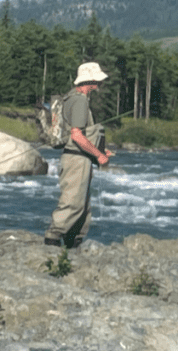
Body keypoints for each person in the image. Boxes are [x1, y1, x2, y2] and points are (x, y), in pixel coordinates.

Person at [45, 62, 114, 248]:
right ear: (89, 80)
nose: (100, 83)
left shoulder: (71, 98)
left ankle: (72, 243)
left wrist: (99, 151)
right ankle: (52, 239)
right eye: (97, 80)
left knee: (82, 206)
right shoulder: (80, 100)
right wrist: (99, 156)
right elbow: (76, 135)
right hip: (76, 159)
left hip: (76, 158)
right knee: (73, 203)